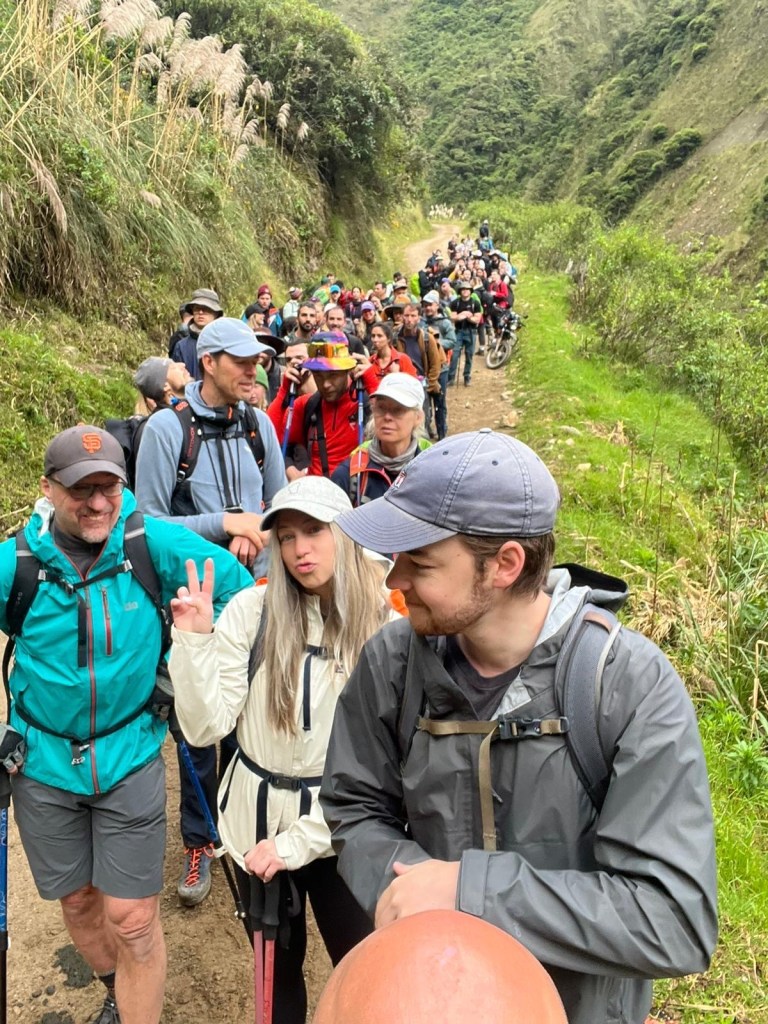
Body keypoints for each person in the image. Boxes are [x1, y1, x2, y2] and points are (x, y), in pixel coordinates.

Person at [321, 429, 718, 1024]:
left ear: (505, 564)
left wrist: (470, 893)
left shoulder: (626, 685)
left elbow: (673, 918)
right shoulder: (393, 663)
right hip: (436, 1000)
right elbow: (354, 806)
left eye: (420, 562)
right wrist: (409, 884)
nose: (393, 580)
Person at [0, 425, 251, 1024]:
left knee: (133, 918)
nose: (97, 503)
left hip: (131, 755)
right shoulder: (17, 566)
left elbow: (242, 596)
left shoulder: (148, 544)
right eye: (80, 489)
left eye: (108, 487)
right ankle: (119, 989)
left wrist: (182, 668)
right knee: (79, 903)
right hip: (42, 764)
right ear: (47, 489)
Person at [168, 476, 398, 1024]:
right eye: (287, 536)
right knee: (277, 975)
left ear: (346, 534)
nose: (299, 549)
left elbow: (386, 765)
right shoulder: (252, 611)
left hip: (344, 830)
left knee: (363, 967)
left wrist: (299, 844)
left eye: (314, 531)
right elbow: (204, 728)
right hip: (258, 826)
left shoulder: (385, 626)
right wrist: (194, 641)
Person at [135, 317, 287, 907]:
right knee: (196, 725)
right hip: (194, 603)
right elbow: (145, 524)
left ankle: (252, 826)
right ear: (208, 363)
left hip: (256, 595)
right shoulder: (166, 430)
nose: (254, 371)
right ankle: (200, 839)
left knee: (255, 712)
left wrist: (257, 530)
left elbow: (279, 507)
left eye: (258, 361)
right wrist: (226, 525)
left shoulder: (258, 425)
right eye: (242, 361)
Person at [267, 338, 379, 480]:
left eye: (333, 375)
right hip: (317, 491)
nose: (326, 384)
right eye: (318, 375)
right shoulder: (307, 405)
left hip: (357, 490)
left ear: (348, 370)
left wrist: (373, 385)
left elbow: (394, 436)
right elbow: (269, 438)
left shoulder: (366, 403)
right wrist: (284, 391)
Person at [331, 374, 430, 506]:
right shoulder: (351, 473)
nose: (387, 417)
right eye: (381, 408)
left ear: (418, 417)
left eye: (398, 409)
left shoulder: (430, 472)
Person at [170, 288, 224, 379]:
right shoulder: (181, 347)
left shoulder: (224, 343)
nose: (200, 312)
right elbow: (175, 380)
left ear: (216, 314)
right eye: (197, 309)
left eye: (206, 309)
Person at [448, 282, 482, 386]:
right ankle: (451, 378)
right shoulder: (455, 303)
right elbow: (453, 317)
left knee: (469, 355)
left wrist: (467, 317)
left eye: (467, 289)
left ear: (471, 291)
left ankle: (467, 377)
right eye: (463, 289)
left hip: (471, 332)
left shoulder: (475, 303)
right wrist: (463, 315)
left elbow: (477, 319)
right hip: (458, 331)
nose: (465, 291)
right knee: (454, 355)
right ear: (460, 291)